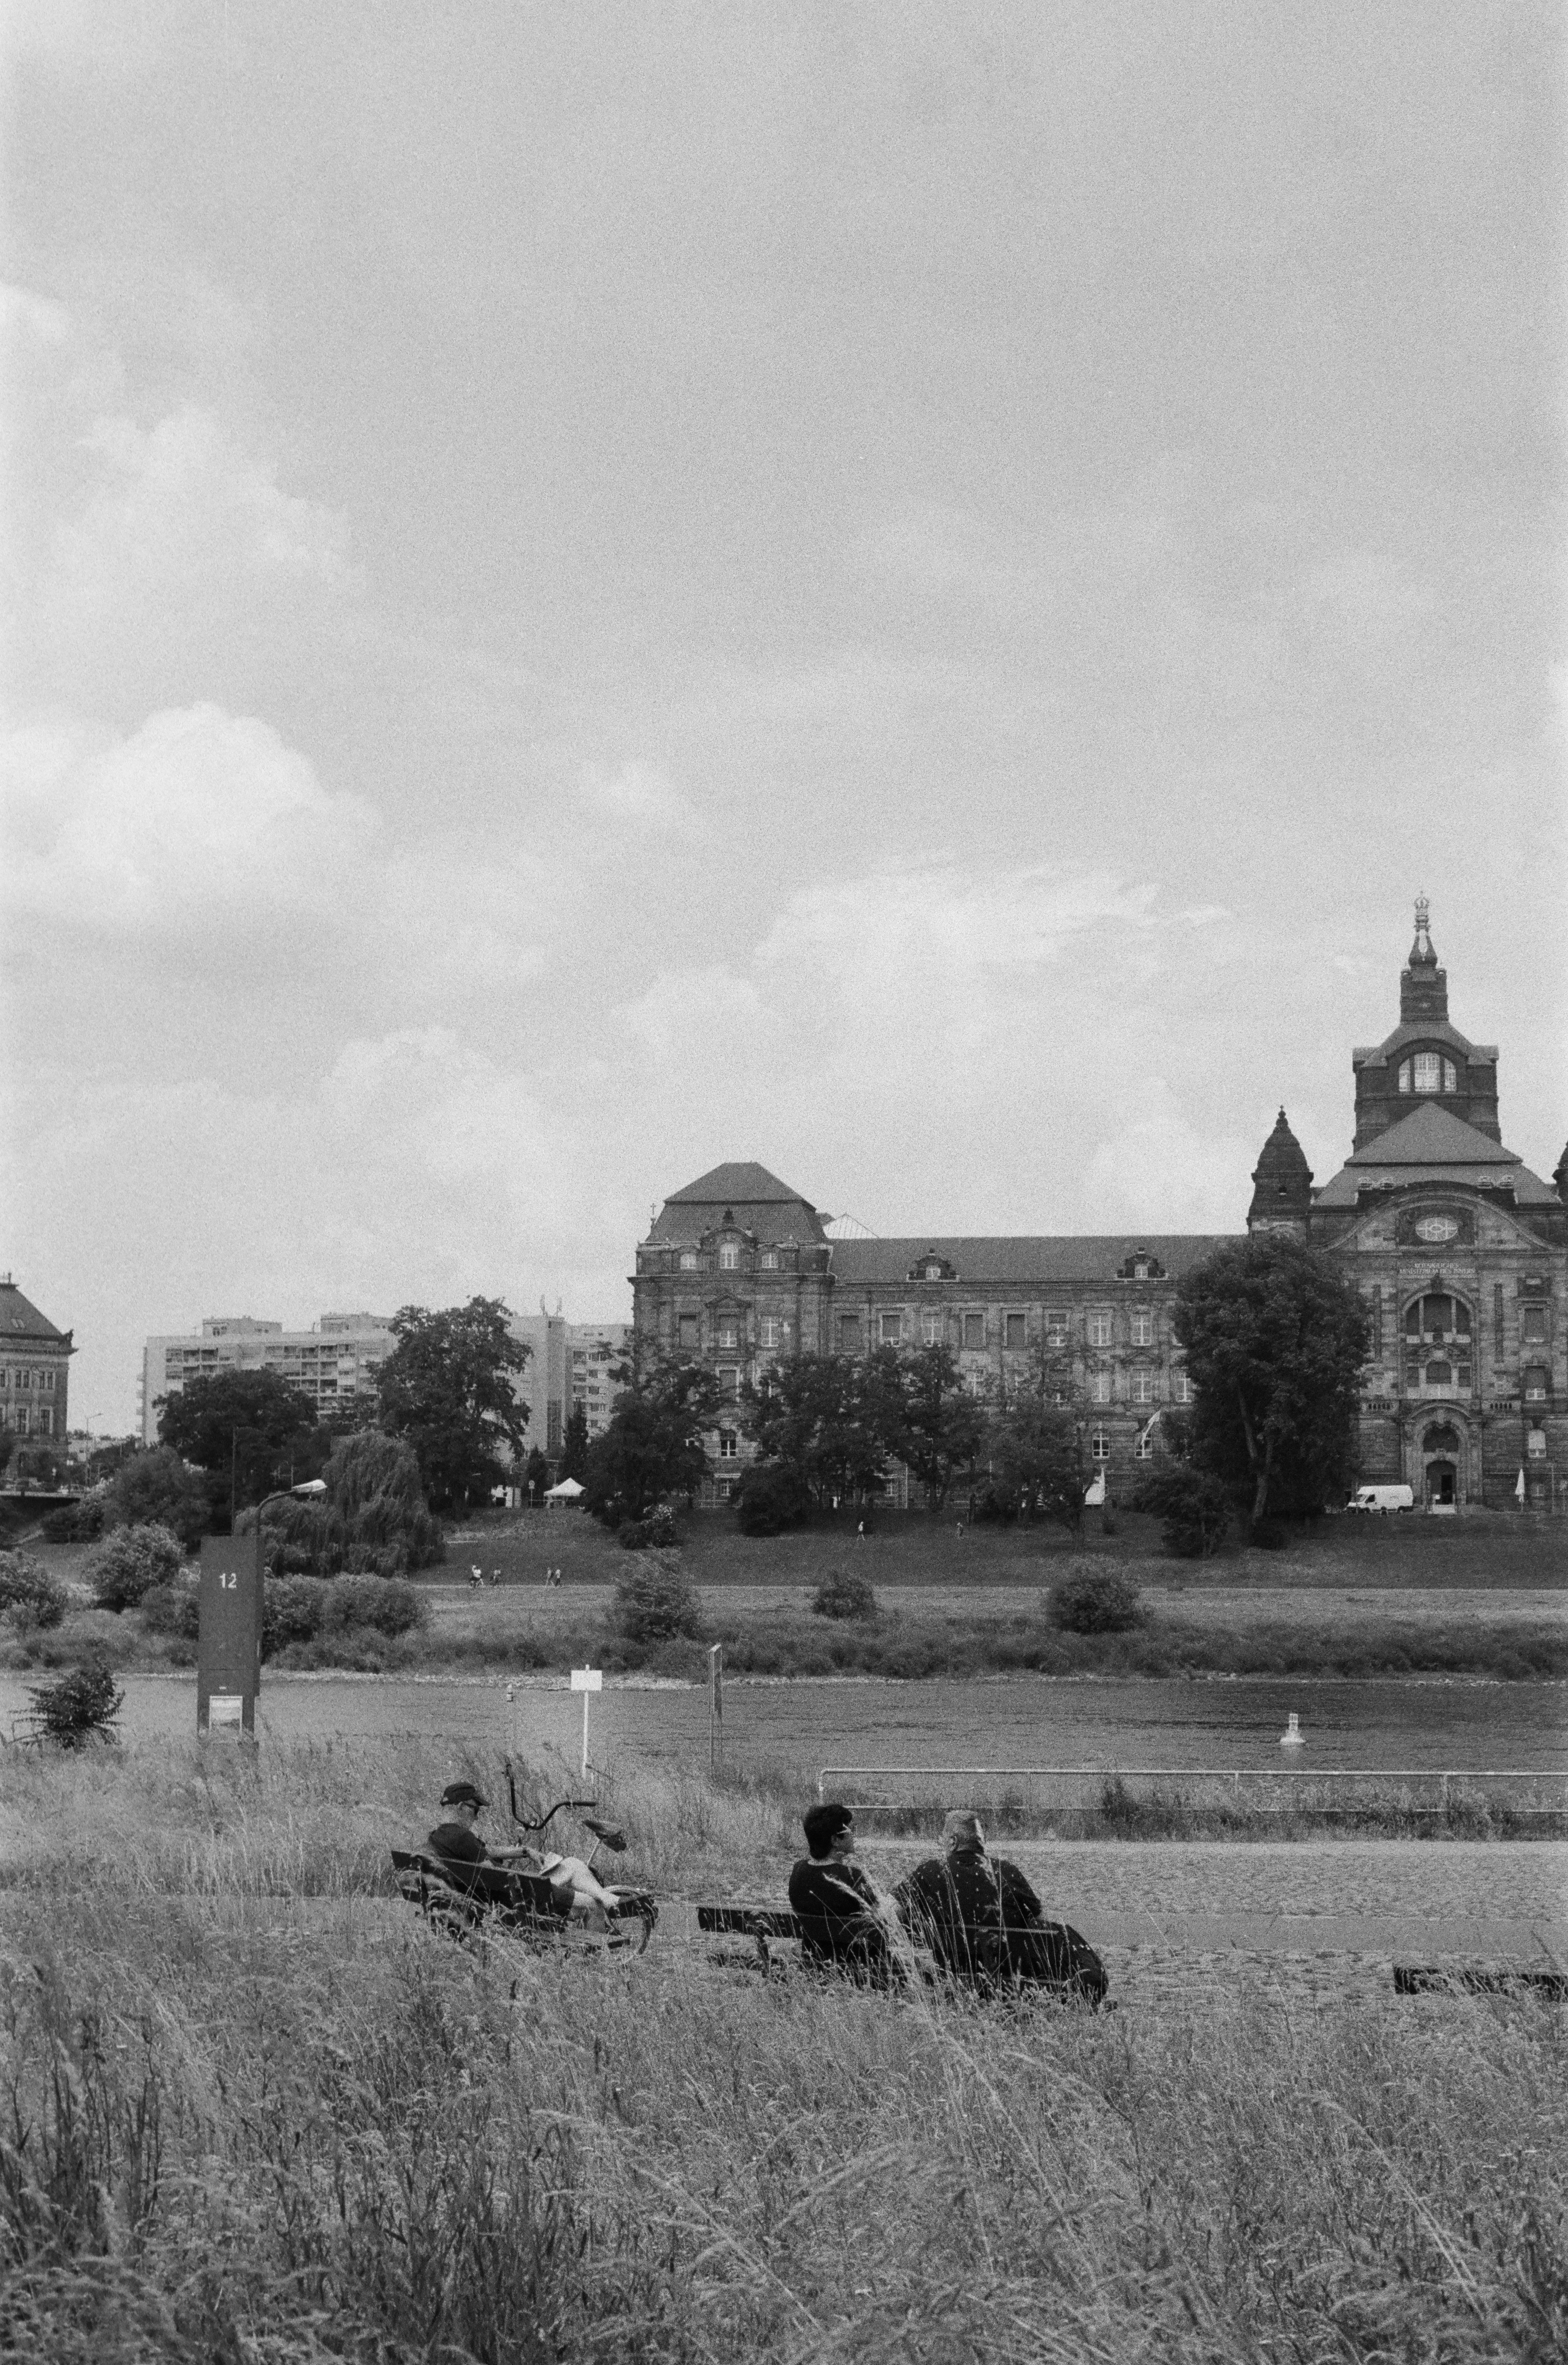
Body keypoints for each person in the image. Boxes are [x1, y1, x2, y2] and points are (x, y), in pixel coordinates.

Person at [893, 1811, 1107, 2004]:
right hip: (1006, 1983)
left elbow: (887, 1914)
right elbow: (1044, 1925)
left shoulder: (929, 1873)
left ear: (953, 1842)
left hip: (955, 1978)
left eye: (941, 1839)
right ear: (981, 1843)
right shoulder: (1007, 1872)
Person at [425, 1781, 623, 1932]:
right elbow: (496, 1877)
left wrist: (525, 1852)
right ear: (461, 1808)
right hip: (516, 1900)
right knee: (591, 1904)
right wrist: (524, 1878)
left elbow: (486, 1852)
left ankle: (603, 1895)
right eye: (476, 1810)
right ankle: (595, 1961)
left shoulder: (439, 1837)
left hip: (496, 1897)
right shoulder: (462, 1837)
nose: (477, 1816)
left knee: (571, 1865)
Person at [786, 1803, 901, 1983]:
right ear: (835, 1840)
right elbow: (885, 1917)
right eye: (851, 1830)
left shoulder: (798, 1871)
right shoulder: (852, 1877)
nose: (854, 1834)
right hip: (857, 1969)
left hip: (814, 1963)